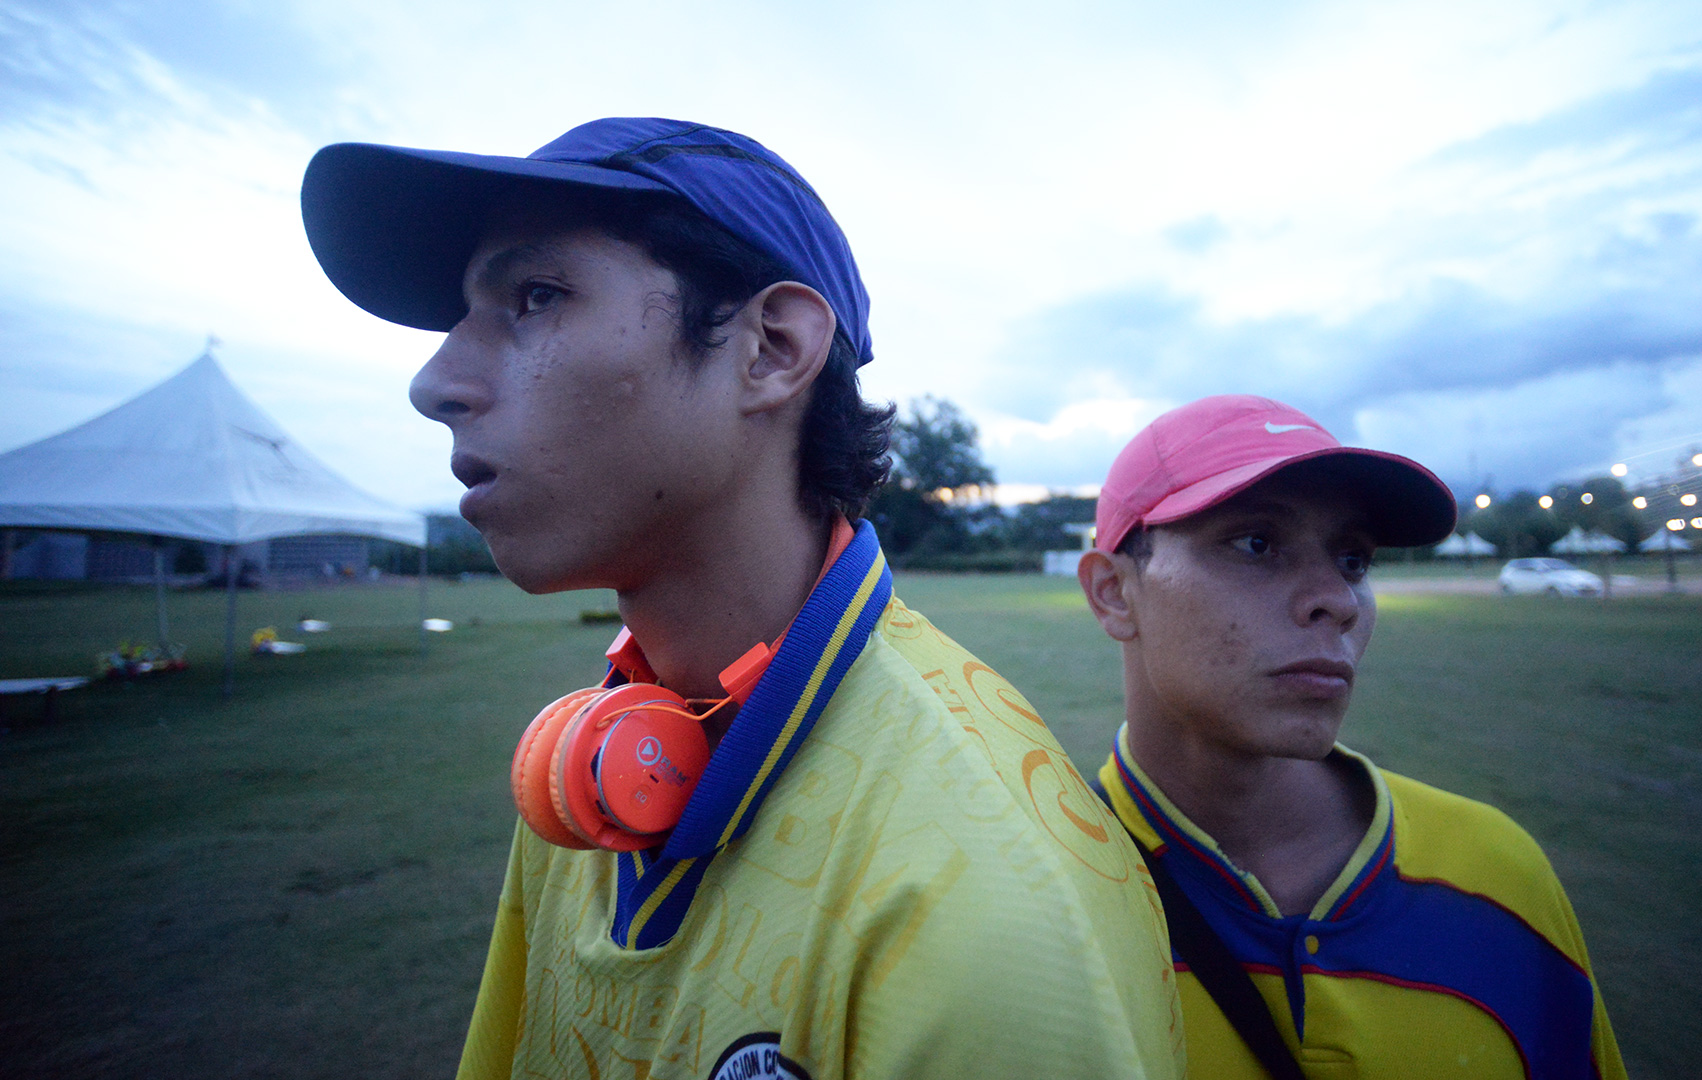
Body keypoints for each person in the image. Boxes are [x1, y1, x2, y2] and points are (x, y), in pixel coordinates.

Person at [301, 119, 1182, 1080]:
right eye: (462, 318)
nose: (437, 383)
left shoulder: (991, 907)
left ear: (769, 347)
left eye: (536, 296)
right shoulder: (586, 774)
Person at [1076, 395, 1628, 1080]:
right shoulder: (1043, 902)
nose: (1336, 599)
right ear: (1113, 593)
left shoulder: (1498, 875)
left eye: (1353, 558)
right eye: (1256, 542)